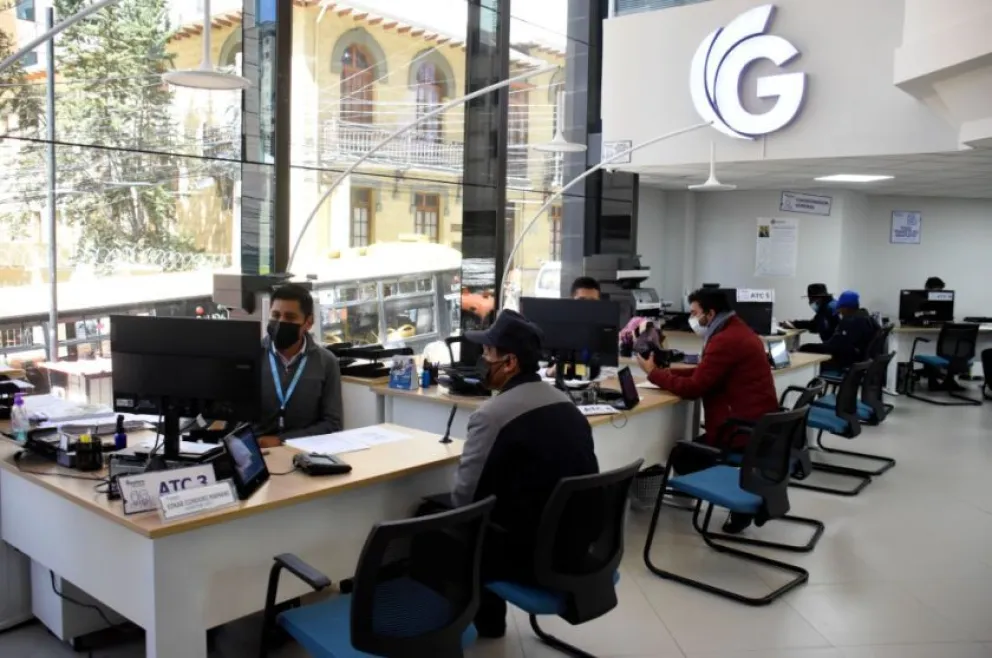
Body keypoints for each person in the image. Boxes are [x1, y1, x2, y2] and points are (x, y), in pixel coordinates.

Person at [453, 310, 599, 638]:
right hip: (575, 547)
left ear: (510, 363)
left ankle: (470, 627)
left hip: (529, 557)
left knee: (438, 519)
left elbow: (464, 499)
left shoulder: (493, 415)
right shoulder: (566, 404)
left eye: (487, 352)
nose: (481, 359)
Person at [636, 288, 778, 533]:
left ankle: (738, 502)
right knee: (687, 451)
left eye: (694, 313)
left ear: (710, 314)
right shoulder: (735, 330)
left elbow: (695, 388)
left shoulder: (725, 340)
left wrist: (653, 373)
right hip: (756, 426)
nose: (691, 319)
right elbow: (706, 372)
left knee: (682, 455)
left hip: (740, 432)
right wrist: (666, 373)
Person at [256, 284, 343, 448]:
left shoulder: (326, 362)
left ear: (308, 322)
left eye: (290, 317)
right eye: (276, 315)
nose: (281, 322)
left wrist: (282, 440)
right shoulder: (252, 355)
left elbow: (332, 425)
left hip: (304, 450)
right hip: (259, 450)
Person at [799, 290, 879, 371]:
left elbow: (834, 346)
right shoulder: (867, 318)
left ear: (845, 308)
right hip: (861, 361)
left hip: (847, 362)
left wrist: (807, 347)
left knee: (805, 349)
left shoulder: (849, 321)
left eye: (840, 309)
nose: (840, 312)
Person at [544, 276, 602, 377]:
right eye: (582, 301)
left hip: (593, 382)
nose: (587, 307)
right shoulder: (555, 329)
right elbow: (538, 368)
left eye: (593, 302)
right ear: (571, 301)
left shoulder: (604, 330)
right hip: (558, 383)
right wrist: (549, 371)